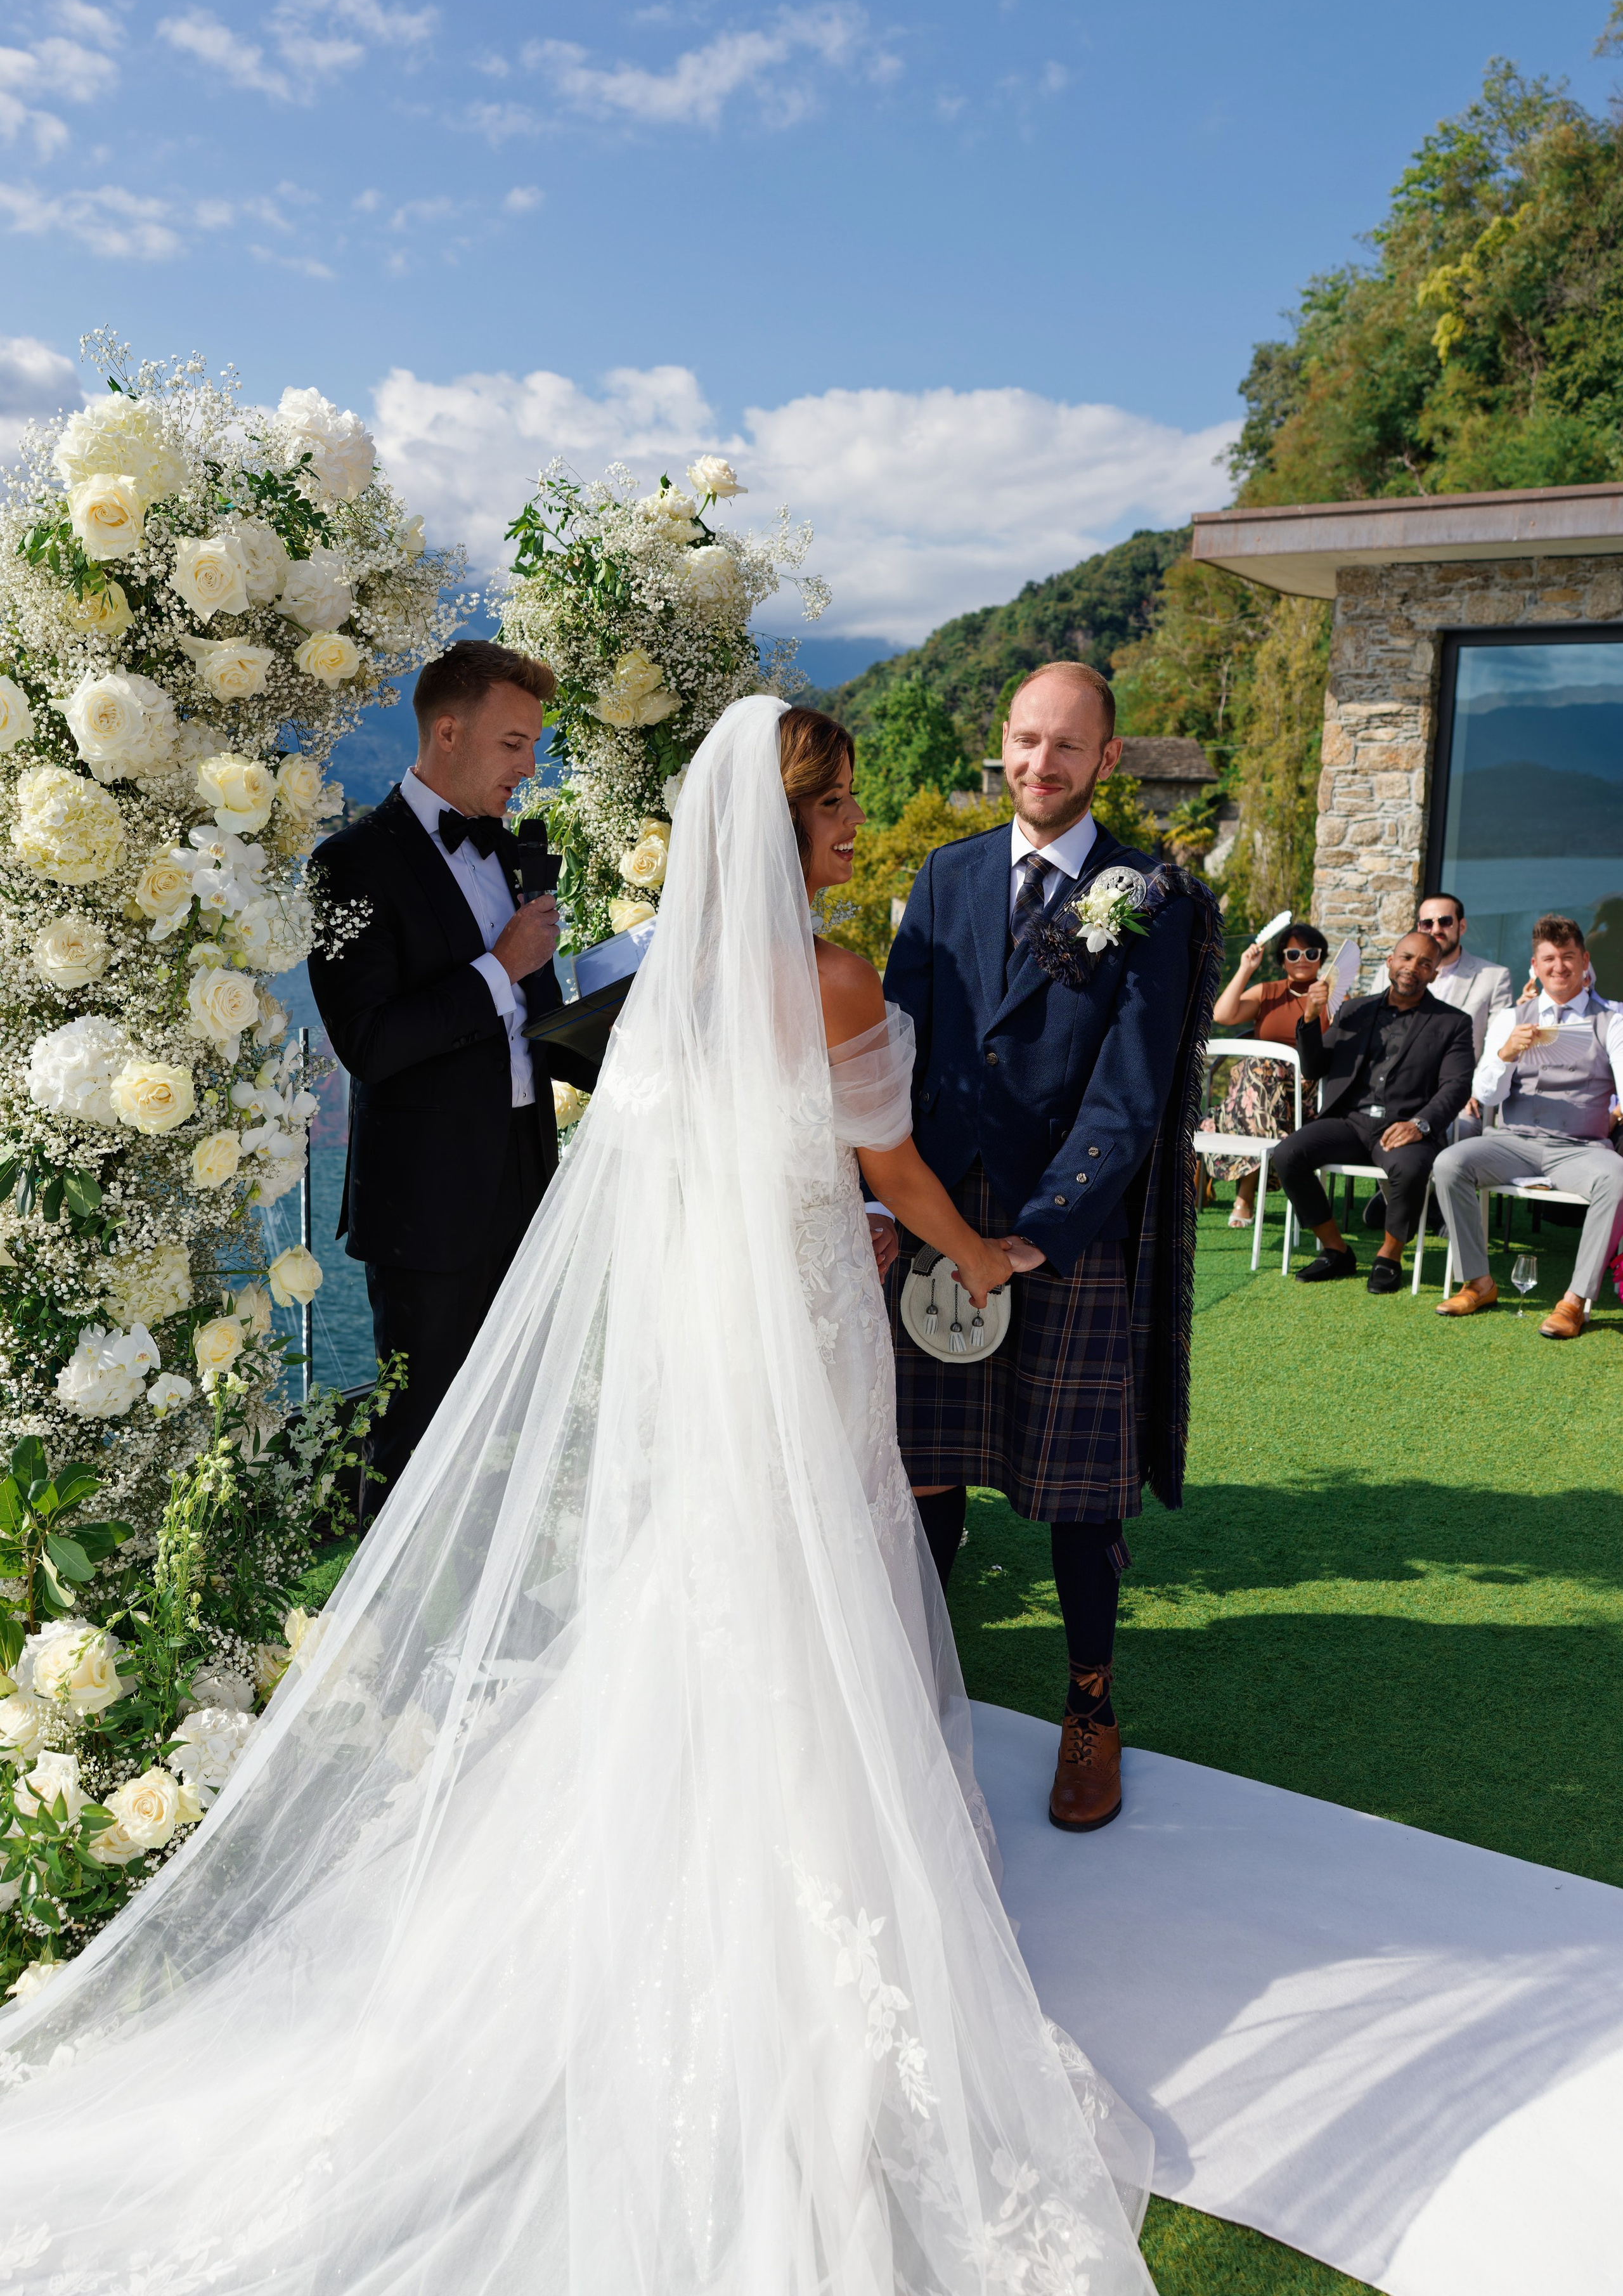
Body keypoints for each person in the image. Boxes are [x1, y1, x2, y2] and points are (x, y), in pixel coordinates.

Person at [0, 697, 1158, 2296]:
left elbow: (682, 1170)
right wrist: (975, 1250)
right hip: (806, 1338)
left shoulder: (659, 984)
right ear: (787, 819)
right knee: (809, 1578)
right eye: (830, 812)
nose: (844, 834)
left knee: (717, 1588)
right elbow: (883, 1169)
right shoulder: (824, 979)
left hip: (711, 1348)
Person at [883, 661, 1220, 1836]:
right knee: (920, 1469)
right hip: (933, 1211)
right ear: (1004, 743)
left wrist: (1034, 1239)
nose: (1041, 765)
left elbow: (1131, 1100)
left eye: (1068, 747)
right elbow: (898, 1051)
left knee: (1080, 1492)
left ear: (1108, 760)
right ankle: (913, 1693)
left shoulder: (1152, 897)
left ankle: (1091, 1706)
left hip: (1058, 1232)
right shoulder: (947, 873)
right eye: (1026, 740)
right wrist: (894, 1205)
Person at [309, 639, 586, 1516]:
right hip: (424, 1201)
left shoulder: (510, 852)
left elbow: (537, 1020)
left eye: (534, 745)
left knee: (517, 1417)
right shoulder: (348, 863)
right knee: (417, 1432)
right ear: (449, 733)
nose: (529, 766)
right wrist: (499, 966)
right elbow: (372, 1043)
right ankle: (387, 1645)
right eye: (514, 745)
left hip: (524, 1170)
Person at [1433, 912, 1623, 1337]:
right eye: (1550, 959)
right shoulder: (1510, 1017)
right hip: (1514, 1140)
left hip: (1580, 1146)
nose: (1560, 967)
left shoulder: (1614, 1020)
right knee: (1449, 1164)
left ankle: (1575, 1302)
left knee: (1618, 1177)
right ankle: (1478, 1282)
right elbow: (1486, 1096)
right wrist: (1504, 1056)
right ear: (1535, 966)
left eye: (1569, 957)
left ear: (1585, 961)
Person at [1269, 931, 1474, 1291]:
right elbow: (1315, 1068)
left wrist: (1420, 1125)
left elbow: (1456, 1087)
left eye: (1425, 963)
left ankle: (1390, 1256)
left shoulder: (1453, 1023)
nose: (1414, 968)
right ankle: (1336, 1250)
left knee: (1410, 1168)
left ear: (1434, 975)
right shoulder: (1354, 1010)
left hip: (1405, 1126)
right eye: (1407, 958)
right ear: (1391, 962)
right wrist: (1311, 1016)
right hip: (1350, 1122)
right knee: (1288, 1154)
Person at [1199, 921, 1328, 1229]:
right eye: (1293, 954)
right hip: (1257, 1091)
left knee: (1257, 1068)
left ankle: (1244, 1192)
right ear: (1282, 959)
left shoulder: (1333, 998)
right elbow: (1222, 1015)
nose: (1302, 960)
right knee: (1259, 1068)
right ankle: (1263, 1172)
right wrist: (1246, 969)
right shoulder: (1268, 992)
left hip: (1303, 1093)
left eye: (1311, 953)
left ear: (1322, 958)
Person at [1418, 892, 1513, 1138]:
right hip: (1403, 1093)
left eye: (1445, 921)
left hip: (1461, 1096)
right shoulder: (1401, 975)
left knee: (1461, 1129)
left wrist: (1471, 1090)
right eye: (1428, 924)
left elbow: (1497, 1044)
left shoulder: (1494, 977)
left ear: (1462, 926)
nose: (1436, 929)